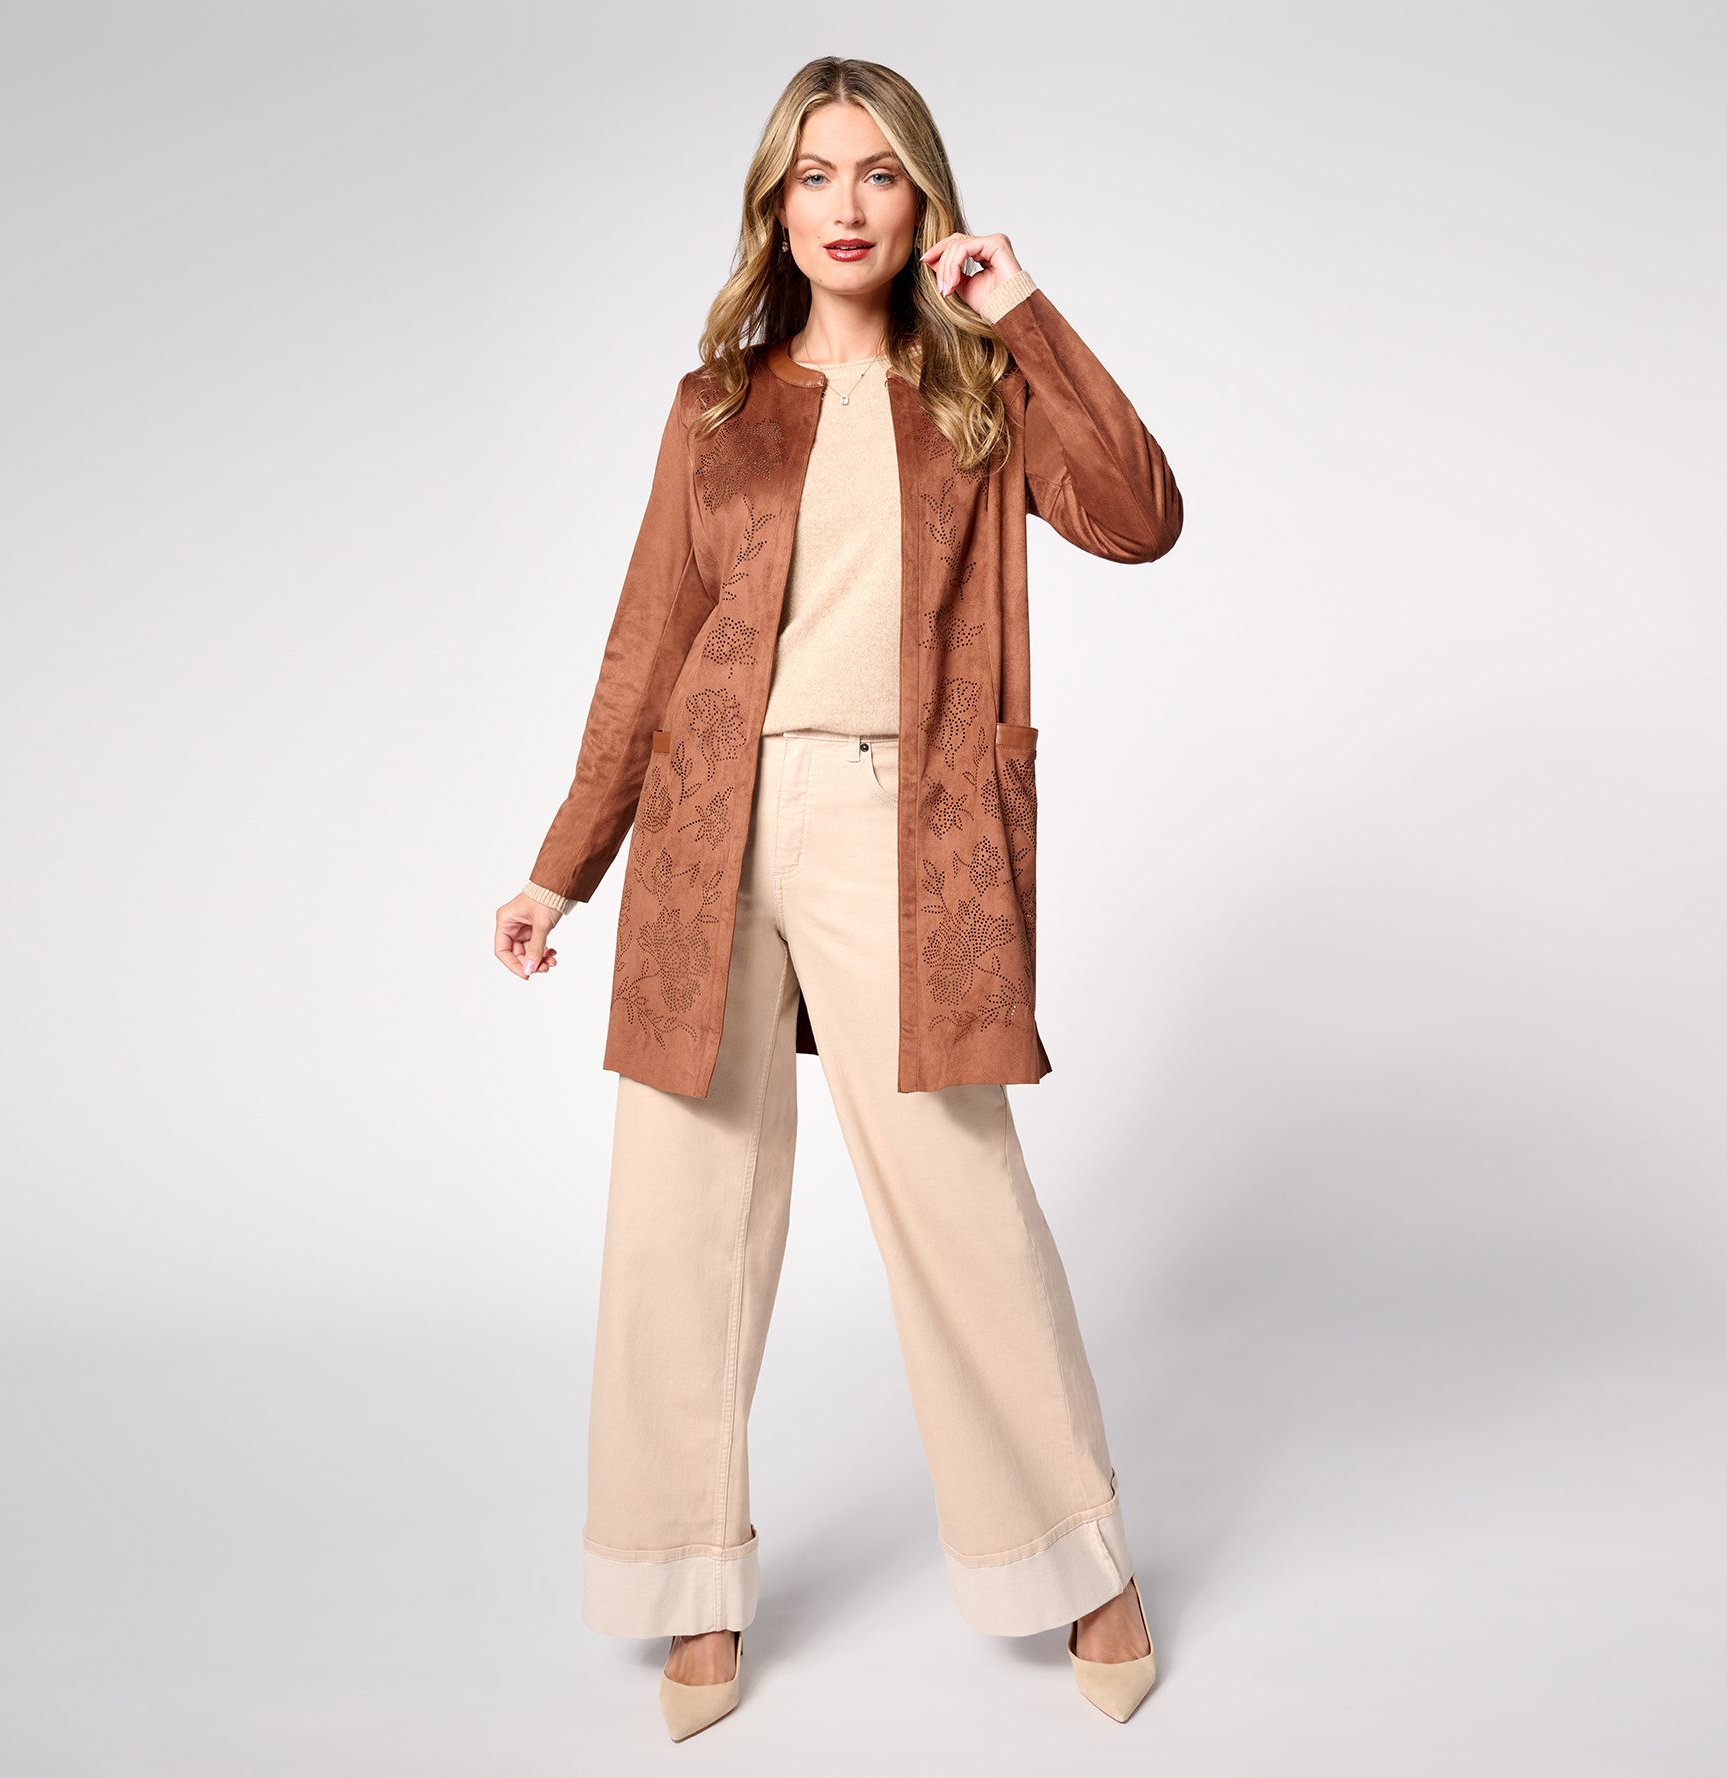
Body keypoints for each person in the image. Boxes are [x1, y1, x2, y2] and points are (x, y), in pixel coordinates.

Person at [495, 55, 1181, 1740]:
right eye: (815, 176)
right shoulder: (715, 406)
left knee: (961, 1193)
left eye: (879, 173)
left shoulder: (980, 392)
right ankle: (686, 1583)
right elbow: (648, 644)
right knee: (682, 1208)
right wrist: (563, 861)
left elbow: (1141, 516)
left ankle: (1078, 1556)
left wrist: (1025, 313)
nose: (847, 205)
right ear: (775, 205)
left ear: (923, 197)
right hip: (710, 826)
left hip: (905, 821)